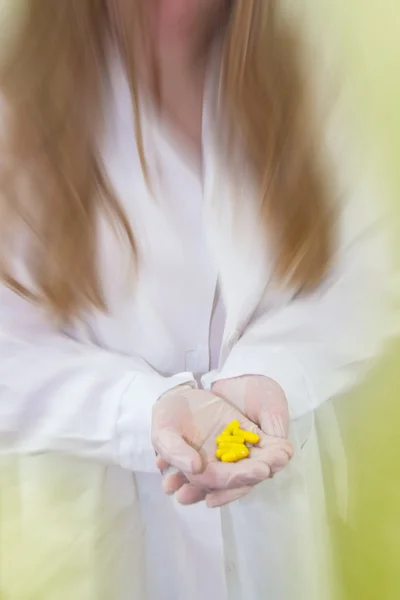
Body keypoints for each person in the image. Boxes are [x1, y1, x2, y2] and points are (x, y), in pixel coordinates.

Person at [0, 1, 393, 599]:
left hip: (277, 544)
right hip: (103, 555)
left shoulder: (302, 67)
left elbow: (369, 270)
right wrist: (142, 408)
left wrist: (273, 370)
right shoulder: (17, 101)